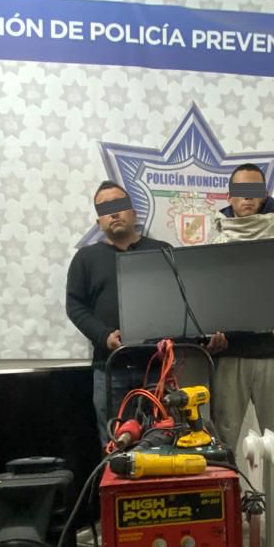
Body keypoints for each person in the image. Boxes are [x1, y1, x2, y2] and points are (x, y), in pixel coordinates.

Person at [206, 164, 274, 450]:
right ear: (230, 196)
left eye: (254, 191)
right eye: (241, 191)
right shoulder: (216, 243)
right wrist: (210, 337)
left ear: (264, 195)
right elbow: (208, 300)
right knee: (223, 440)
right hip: (230, 356)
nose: (247, 197)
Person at [66, 181, 171, 445]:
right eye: (105, 209)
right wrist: (104, 336)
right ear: (99, 221)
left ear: (133, 212)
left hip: (156, 367)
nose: (113, 213)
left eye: (119, 206)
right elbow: (75, 306)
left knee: (162, 443)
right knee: (116, 447)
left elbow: (179, 301)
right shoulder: (85, 259)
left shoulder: (162, 251)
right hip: (110, 368)